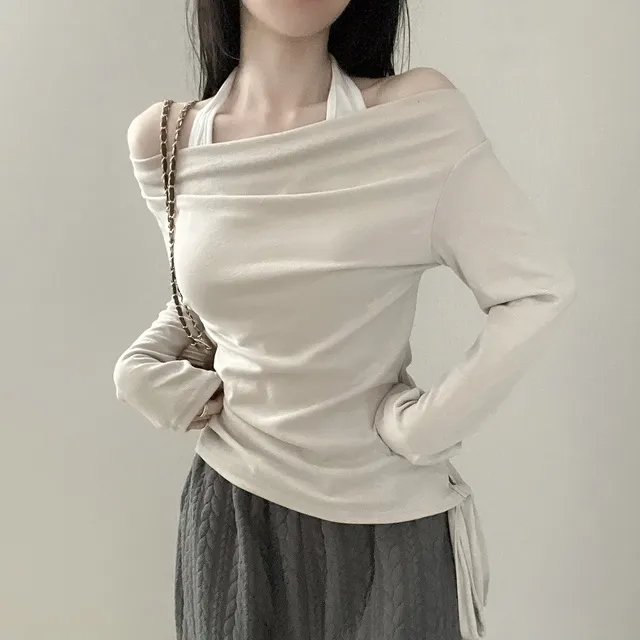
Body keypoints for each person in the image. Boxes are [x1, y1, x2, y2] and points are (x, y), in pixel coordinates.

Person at [113, 0, 577, 638]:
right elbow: (220, 289)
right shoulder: (165, 140)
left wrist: (427, 428)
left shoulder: (416, 117)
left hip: (387, 524)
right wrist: (138, 369)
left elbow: (537, 289)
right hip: (233, 510)